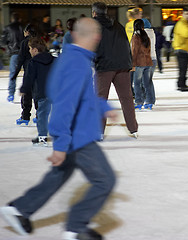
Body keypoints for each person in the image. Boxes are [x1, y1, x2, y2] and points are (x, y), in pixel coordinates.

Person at [0, 17, 117, 240]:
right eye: (97, 34)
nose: (99, 38)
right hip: (77, 135)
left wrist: (104, 106)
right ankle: (76, 227)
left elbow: (84, 96)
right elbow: (64, 104)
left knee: (58, 176)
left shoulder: (74, 58)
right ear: (92, 36)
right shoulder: (76, 62)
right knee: (105, 180)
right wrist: (61, 143)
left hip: (75, 132)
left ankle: (19, 209)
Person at [92, 2, 138, 138]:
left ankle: (98, 131)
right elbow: (125, 43)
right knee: (127, 98)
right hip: (122, 65)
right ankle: (133, 129)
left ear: (94, 12)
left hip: (104, 67)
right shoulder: (117, 25)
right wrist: (129, 62)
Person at [19, 37, 54, 145]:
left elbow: (28, 78)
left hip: (42, 93)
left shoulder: (33, 62)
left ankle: (42, 137)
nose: (29, 51)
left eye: (30, 48)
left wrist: (24, 89)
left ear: (35, 50)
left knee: (42, 115)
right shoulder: (54, 60)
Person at [11, 24, 38, 126]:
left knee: (27, 94)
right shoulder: (39, 41)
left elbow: (21, 59)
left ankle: (25, 116)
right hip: (38, 71)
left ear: (27, 32)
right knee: (37, 93)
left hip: (28, 71)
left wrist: (15, 74)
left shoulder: (24, 43)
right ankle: (39, 116)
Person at [1, 12, 24, 103]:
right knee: (29, 73)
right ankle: (29, 92)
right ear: (19, 19)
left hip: (14, 52)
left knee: (13, 74)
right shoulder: (23, 27)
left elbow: (3, 41)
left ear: (11, 19)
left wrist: (8, 47)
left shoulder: (8, 28)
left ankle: (11, 94)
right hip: (25, 53)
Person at [131, 19, 154, 110]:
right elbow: (148, 50)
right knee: (147, 83)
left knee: (137, 83)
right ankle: (149, 102)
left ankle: (139, 102)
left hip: (139, 63)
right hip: (148, 62)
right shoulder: (146, 36)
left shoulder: (136, 36)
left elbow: (134, 51)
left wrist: (132, 64)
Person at [172, 7, 188, 92]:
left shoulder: (185, 23)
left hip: (183, 49)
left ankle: (181, 84)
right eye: (186, 14)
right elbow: (186, 34)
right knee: (183, 68)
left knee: (183, 68)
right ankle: (181, 85)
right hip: (181, 48)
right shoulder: (181, 23)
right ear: (182, 14)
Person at [143, 18, 157, 107]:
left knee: (145, 82)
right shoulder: (152, 33)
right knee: (148, 81)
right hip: (153, 58)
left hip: (145, 59)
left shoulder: (142, 34)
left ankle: (148, 100)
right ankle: (151, 99)